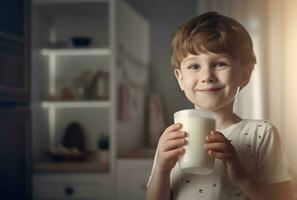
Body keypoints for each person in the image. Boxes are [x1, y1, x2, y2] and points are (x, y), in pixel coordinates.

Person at [145, 12, 293, 200]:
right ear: (180, 78)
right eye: (194, 67)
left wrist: (241, 176)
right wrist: (161, 168)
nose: (207, 76)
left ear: (244, 74)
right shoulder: (172, 138)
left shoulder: (262, 133)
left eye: (220, 64)